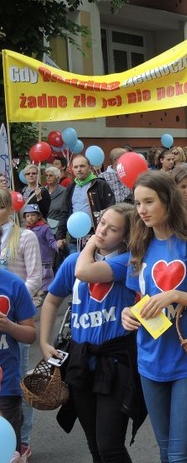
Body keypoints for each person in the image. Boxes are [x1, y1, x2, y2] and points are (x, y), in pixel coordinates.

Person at [120, 171, 187, 463]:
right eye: (137, 202)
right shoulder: (139, 245)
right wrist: (126, 314)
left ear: (168, 201)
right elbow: (137, 300)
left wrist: (177, 295)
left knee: (180, 455)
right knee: (166, 453)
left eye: (149, 201)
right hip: (149, 360)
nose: (141, 210)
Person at [39, 203, 146, 463]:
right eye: (101, 224)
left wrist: (88, 244)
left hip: (116, 361)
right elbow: (52, 300)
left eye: (113, 229)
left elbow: (83, 272)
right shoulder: (74, 260)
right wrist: (43, 342)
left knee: (110, 446)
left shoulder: (126, 262)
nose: (103, 231)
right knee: (95, 447)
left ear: (125, 236)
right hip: (81, 360)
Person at [1, 188, 41, 461]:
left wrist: (13, 309)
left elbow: (35, 276)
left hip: (15, 313)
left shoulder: (24, 236)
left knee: (17, 385)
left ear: (10, 209)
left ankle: (22, 441)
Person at [0, 269, 37, 463]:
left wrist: (9, 326)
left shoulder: (13, 284)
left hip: (6, 385)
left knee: (6, 453)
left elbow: (31, 335)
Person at [56, 155, 115, 253]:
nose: (79, 169)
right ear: (72, 170)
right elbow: (64, 212)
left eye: (82, 166)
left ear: (90, 168)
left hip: (95, 235)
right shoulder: (71, 187)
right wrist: (60, 236)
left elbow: (111, 208)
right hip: (75, 237)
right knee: (76, 266)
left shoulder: (100, 184)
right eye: (76, 167)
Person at [22, 204, 57, 307]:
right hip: (31, 260)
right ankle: (37, 297)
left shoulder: (44, 228)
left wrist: (57, 246)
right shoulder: (26, 230)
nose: (30, 218)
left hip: (44, 259)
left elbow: (51, 241)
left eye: (33, 215)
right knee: (33, 279)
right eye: (27, 216)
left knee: (46, 279)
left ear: (39, 216)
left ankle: (45, 298)